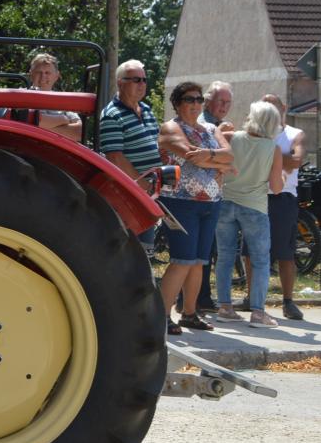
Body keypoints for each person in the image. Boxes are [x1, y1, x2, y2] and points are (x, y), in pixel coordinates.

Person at [156, 82, 234, 335]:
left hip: (211, 203)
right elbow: (190, 155)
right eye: (189, 99)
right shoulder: (171, 127)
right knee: (182, 260)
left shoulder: (211, 128)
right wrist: (220, 164)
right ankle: (161, 316)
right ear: (177, 103)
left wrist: (214, 157)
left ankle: (189, 313)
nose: (196, 104)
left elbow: (230, 155)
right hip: (180, 202)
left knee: (199, 261)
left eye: (199, 99)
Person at [214, 100, 284, 328]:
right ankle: (258, 312)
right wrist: (282, 177)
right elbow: (276, 188)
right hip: (254, 207)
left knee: (225, 256)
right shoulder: (273, 149)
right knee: (261, 260)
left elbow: (216, 142)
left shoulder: (232, 137)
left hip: (226, 201)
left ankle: (225, 307)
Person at [254, 94, 306, 321]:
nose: (270, 110)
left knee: (285, 253)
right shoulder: (256, 132)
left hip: (283, 199)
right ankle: (252, 299)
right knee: (251, 251)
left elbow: (296, 161)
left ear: (283, 108)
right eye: (265, 106)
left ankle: (288, 301)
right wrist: (280, 158)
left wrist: (266, 155)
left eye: (273, 106)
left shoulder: (295, 134)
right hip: (257, 196)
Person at [99, 59, 161, 252]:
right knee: (129, 251)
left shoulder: (147, 110)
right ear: (120, 83)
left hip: (149, 193)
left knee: (145, 250)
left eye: (144, 80)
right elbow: (115, 158)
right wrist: (143, 186)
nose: (142, 84)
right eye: (136, 80)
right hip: (130, 195)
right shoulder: (112, 114)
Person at [191, 80, 234, 311]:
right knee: (199, 253)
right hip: (199, 194)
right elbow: (203, 158)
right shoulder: (203, 124)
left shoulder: (217, 125)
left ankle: (200, 298)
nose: (224, 106)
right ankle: (195, 300)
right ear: (208, 101)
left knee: (205, 251)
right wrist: (223, 156)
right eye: (221, 101)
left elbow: (227, 159)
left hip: (211, 194)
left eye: (228, 102)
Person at [28, 52, 83, 140]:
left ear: (56, 76)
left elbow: (78, 132)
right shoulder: (21, 97)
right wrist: (63, 119)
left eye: (47, 73)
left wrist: (41, 128)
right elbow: (34, 121)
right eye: (39, 72)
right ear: (31, 74)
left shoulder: (63, 100)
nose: (43, 76)